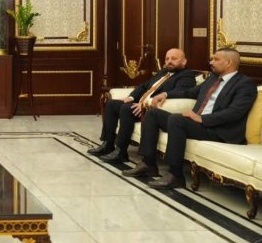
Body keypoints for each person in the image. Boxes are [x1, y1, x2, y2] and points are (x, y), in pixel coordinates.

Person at [123, 48, 258, 189]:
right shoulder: (213, 78)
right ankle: (148, 164)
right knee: (153, 114)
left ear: (229, 62)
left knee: (177, 120)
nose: (211, 62)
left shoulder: (245, 84)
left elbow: (235, 112)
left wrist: (202, 119)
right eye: (212, 59)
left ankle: (175, 175)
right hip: (199, 125)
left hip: (218, 130)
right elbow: (191, 92)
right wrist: (166, 94)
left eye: (216, 59)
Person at [92, 48, 197, 163]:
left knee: (127, 109)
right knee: (112, 104)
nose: (169, 61)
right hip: (140, 103)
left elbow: (179, 92)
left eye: (174, 59)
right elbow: (144, 86)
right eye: (167, 59)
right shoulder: (163, 72)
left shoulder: (186, 76)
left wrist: (145, 104)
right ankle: (108, 144)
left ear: (184, 61)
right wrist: (131, 98)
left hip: (152, 109)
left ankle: (121, 152)